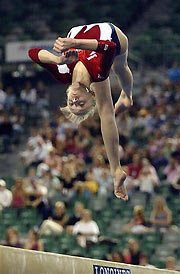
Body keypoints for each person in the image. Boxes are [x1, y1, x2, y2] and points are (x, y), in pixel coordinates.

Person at [29, 22, 134, 200]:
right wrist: (77, 44)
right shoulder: (99, 72)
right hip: (111, 33)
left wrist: (56, 59)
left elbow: (32, 52)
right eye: (81, 105)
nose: (75, 102)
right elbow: (110, 47)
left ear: (68, 94)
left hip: (79, 37)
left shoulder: (63, 72)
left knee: (107, 108)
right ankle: (127, 95)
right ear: (90, 95)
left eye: (72, 104)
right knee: (119, 68)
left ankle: (125, 99)